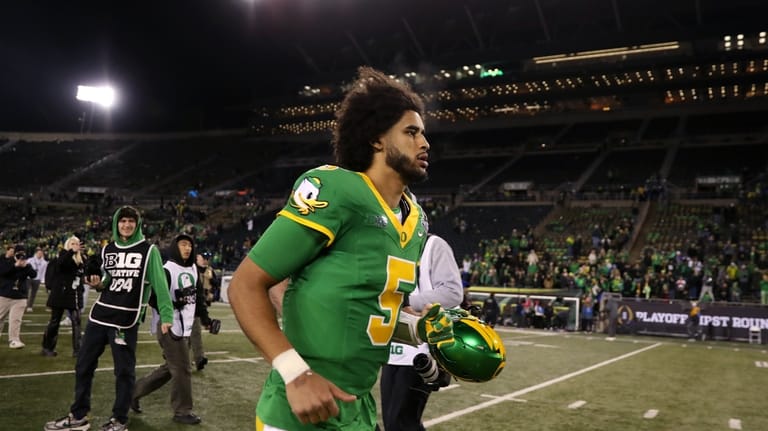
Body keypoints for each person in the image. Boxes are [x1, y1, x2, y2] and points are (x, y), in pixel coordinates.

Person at [229, 66, 452, 430]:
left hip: (358, 406)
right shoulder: (336, 189)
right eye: (411, 132)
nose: (424, 143)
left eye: (423, 133)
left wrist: (427, 334)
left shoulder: (416, 219)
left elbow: (374, 310)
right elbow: (245, 284)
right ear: (377, 139)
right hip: (301, 409)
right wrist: (295, 374)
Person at [45, 206, 175, 431]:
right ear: (116, 224)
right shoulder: (109, 249)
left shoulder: (149, 250)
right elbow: (107, 280)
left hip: (125, 320)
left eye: (130, 221)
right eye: (122, 221)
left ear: (137, 224)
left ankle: (120, 420)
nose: (126, 225)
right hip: (100, 315)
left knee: (123, 372)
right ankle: (79, 416)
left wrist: (166, 315)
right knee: (83, 365)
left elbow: (160, 285)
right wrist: (98, 284)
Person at [381, 234, 463, 431]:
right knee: (393, 422)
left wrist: (408, 302)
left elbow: (452, 292)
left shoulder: (433, 245)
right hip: (394, 346)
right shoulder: (385, 245)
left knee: (403, 422)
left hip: (423, 347)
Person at [132, 234, 214, 425]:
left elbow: (198, 297)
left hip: (184, 328)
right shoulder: (167, 269)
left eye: (189, 245)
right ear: (175, 247)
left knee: (171, 368)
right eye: (183, 244)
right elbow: (152, 297)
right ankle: (182, 410)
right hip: (169, 326)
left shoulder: (193, 268)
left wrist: (206, 320)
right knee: (183, 369)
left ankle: (133, 392)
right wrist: (174, 303)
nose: (187, 248)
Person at [41, 236, 85, 357]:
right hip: (60, 294)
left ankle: (78, 350)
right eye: (72, 243)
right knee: (55, 322)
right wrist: (71, 251)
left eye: (77, 243)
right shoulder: (62, 256)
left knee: (77, 322)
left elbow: (81, 276)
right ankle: (47, 347)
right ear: (67, 245)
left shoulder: (80, 259)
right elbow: (61, 264)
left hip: (74, 295)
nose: (75, 245)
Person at [0, 244, 37, 349]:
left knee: (15, 320)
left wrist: (26, 267)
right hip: (5, 295)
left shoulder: (26, 264)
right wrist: (15, 266)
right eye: (18, 254)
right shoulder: (7, 262)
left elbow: (33, 274)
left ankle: (14, 340)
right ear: (14, 253)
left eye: (23, 254)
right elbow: (3, 272)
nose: (21, 256)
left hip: (20, 297)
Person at [190, 251, 219, 371]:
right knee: (186, 334)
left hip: (199, 304)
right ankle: (175, 357)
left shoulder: (210, 271)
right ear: (197, 258)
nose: (206, 260)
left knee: (195, 332)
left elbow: (215, 284)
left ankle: (199, 358)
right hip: (188, 303)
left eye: (207, 258)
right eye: (204, 258)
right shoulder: (191, 269)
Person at [26, 246, 48, 311]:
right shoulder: (30, 260)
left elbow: (44, 272)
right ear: (36, 253)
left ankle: (30, 306)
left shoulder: (44, 262)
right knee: (26, 292)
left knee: (33, 294)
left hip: (37, 279)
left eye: (41, 253)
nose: (40, 254)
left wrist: (42, 280)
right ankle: (24, 304)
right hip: (29, 278)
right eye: (39, 253)